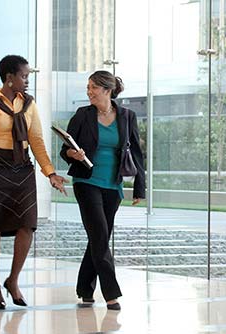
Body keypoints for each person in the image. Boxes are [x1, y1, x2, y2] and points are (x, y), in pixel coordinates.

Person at [0, 55, 67, 309]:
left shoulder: (29, 105)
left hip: (22, 170)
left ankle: (13, 280)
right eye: (23, 76)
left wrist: (50, 173)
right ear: (9, 78)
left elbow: (37, 141)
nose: (26, 81)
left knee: (27, 225)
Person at [60, 70, 146, 311]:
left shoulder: (127, 116)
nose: (89, 92)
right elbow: (64, 150)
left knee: (99, 238)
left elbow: (136, 153)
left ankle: (85, 289)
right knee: (99, 236)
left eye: (93, 88)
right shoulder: (82, 115)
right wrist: (72, 154)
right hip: (87, 182)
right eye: (88, 88)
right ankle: (111, 293)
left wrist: (140, 186)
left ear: (108, 90)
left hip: (113, 185)